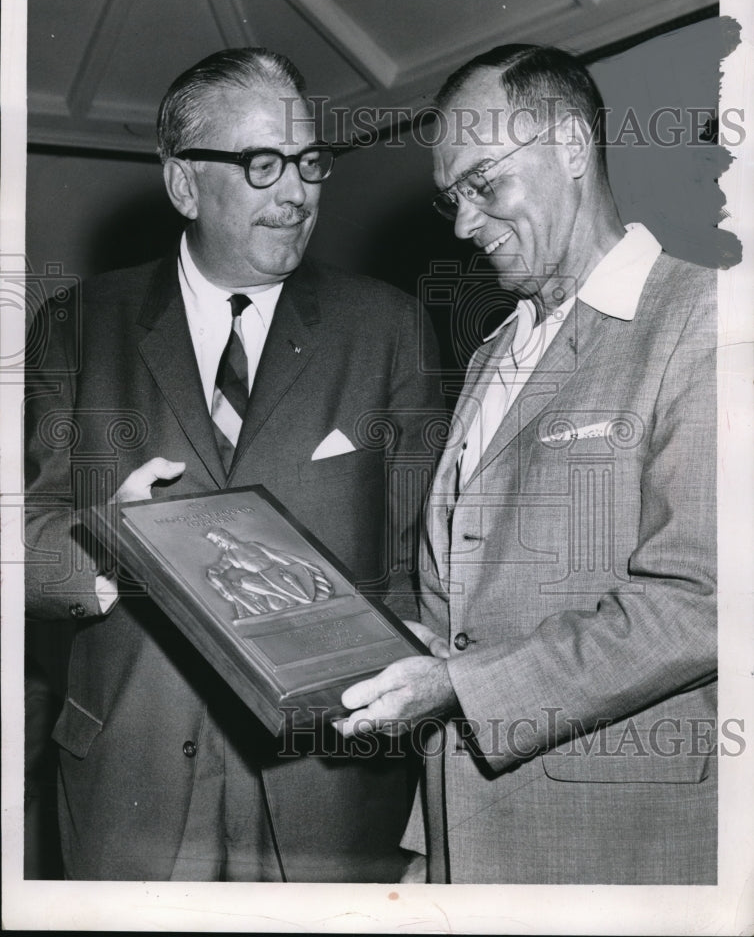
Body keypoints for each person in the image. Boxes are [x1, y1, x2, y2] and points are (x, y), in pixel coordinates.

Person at [24, 47, 442, 881]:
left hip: (329, 789)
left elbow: (412, 563)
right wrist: (104, 546)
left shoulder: (388, 328)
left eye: (308, 162)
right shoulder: (76, 324)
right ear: (184, 183)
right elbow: (25, 542)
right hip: (127, 784)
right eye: (261, 165)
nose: (296, 192)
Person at [337, 44, 717, 885]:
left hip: (621, 849)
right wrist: (429, 848)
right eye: (452, 200)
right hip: (471, 842)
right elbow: (460, 622)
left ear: (573, 146)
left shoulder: (704, 320)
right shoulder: (491, 355)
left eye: (484, 184)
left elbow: (705, 603)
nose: (466, 224)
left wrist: (458, 687)